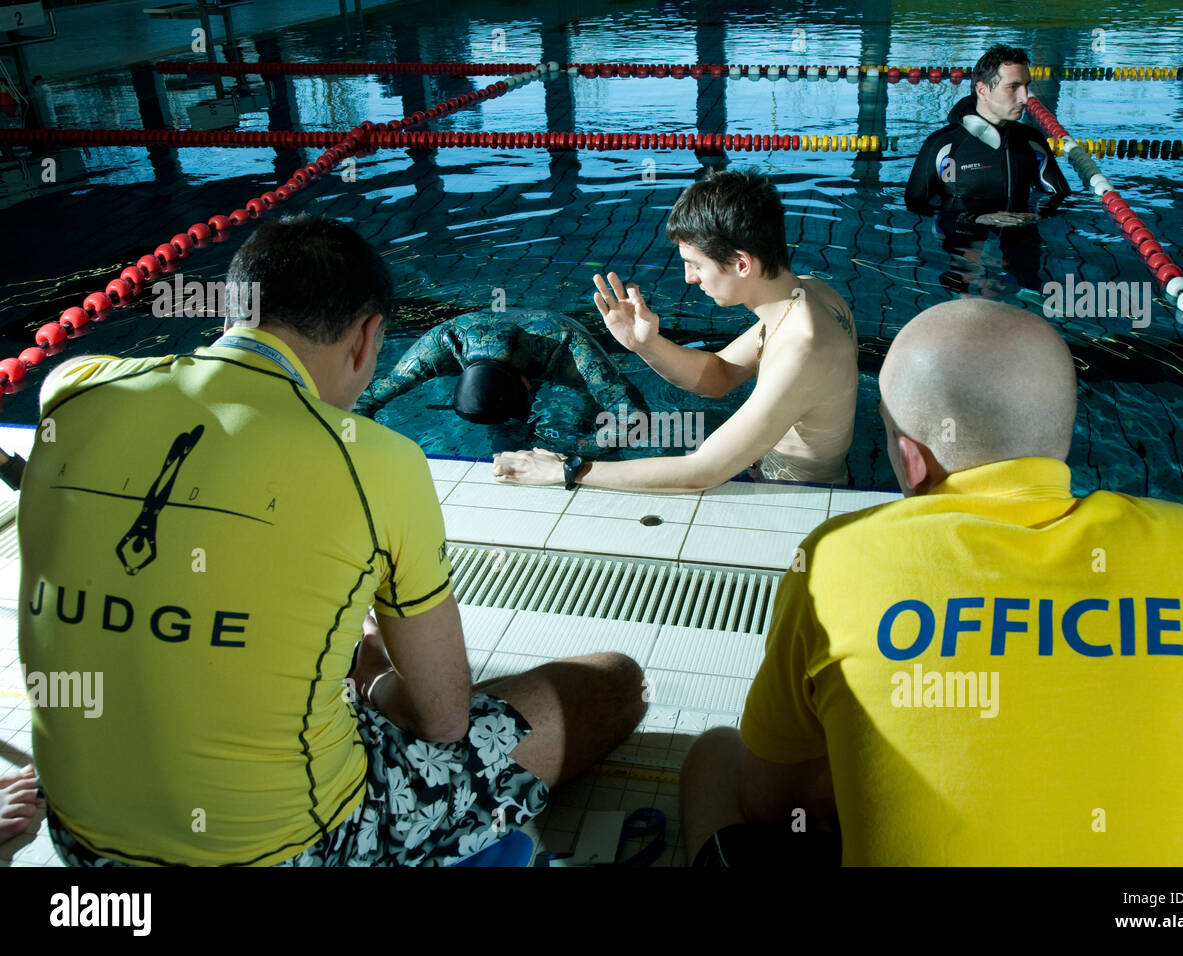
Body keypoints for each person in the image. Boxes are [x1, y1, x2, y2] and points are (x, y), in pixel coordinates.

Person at [17, 214, 646, 867]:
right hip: (295, 851)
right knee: (610, 685)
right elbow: (443, 721)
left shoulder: (74, 388)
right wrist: (373, 676)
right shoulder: (382, 463)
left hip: (81, 844)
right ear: (368, 336)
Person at [681, 298, 1183, 866]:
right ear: (1060, 431)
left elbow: (771, 807)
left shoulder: (834, 559)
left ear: (913, 458)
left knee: (713, 755)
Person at [492, 168, 858, 492]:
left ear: (742, 263)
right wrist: (645, 344)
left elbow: (701, 471)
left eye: (695, 264)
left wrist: (568, 470)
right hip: (775, 474)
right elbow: (722, 375)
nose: (689, 278)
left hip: (798, 500)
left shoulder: (804, 347)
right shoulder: (807, 293)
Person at [356, 307, 649, 459]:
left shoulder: (568, 350)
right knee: (507, 442)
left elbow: (634, 419)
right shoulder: (439, 347)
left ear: (526, 385)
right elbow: (364, 400)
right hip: (505, 366)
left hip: (552, 343)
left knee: (592, 423)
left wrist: (572, 450)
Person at [906, 46, 1070, 293]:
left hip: (1020, 238)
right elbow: (916, 205)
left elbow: (1060, 197)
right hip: (964, 242)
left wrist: (1038, 215)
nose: (1025, 97)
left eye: (1026, 85)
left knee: (1027, 287)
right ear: (983, 90)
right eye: (1013, 87)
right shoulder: (945, 145)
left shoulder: (1030, 142)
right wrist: (975, 218)